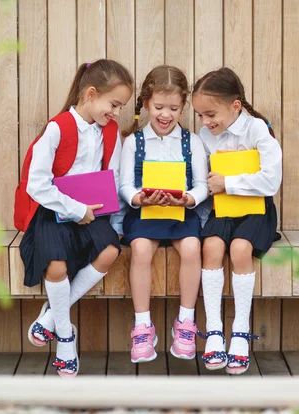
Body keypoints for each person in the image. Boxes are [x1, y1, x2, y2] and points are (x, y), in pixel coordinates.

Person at [17, 59, 133, 377]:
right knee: (56, 266)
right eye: (114, 104)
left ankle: (54, 314)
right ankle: (65, 337)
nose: (117, 113)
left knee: (110, 250)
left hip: (93, 212)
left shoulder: (110, 133)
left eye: (121, 106)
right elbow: (36, 183)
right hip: (53, 211)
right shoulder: (58, 128)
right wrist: (74, 210)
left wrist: (118, 224)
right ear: (91, 94)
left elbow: (114, 178)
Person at [192, 67, 282, 374]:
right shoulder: (205, 136)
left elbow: (271, 181)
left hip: (256, 210)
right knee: (212, 247)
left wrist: (228, 183)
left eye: (209, 114)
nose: (204, 122)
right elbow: (203, 182)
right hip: (222, 209)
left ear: (235, 106)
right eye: (200, 116)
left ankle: (240, 331)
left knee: (241, 249)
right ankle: (214, 330)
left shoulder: (257, 130)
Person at [119, 65, 209, 363]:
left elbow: (201, 185)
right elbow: (124, 184)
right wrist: (137, 198)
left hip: (181, 215)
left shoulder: (191, 142)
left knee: (193, 246)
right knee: (141, 249)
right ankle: (143, 325)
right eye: (158, 107)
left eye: (173, 108)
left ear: (184, 107)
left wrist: (189, 198)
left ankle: (185, 322)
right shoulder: (134, 142)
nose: (165, 115)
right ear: (146, 104)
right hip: (144, 215)